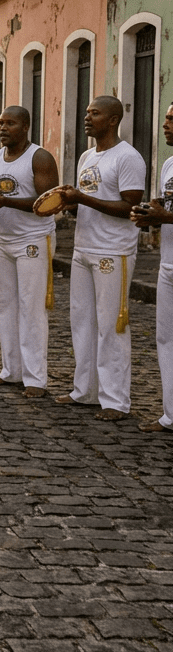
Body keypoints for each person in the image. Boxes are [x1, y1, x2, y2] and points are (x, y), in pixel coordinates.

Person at [54, 96, 145, 420]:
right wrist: (72, 203)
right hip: (84, 248)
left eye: (95, 113)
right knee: (82, 322)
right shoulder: (87, 156)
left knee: (112, 326)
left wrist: (82, 197)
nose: (87, 117)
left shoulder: (128, 157)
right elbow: (92, 200)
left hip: (113, 251)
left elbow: (129, 207)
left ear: (113, 119)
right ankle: (86, 391)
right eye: (87, 111)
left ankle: (115, 401)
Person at [0, 106, 59, 397]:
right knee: (4, 305)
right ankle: (11, 370)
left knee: (31, 307)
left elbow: (49, 203)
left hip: (34, 239)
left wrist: (6, 203)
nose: (2, 128)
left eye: (10, 123)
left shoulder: (39, 157)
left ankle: (36, 378)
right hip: (4, 239)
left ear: (25, 127)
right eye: (0, 123)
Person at [131, 101, 173, 433]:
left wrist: (166, 217)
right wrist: (150, 216)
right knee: (165, 340)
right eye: (167, 117)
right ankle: (170, 415)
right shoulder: (169, 164)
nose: (166, 123)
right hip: (168, 265)